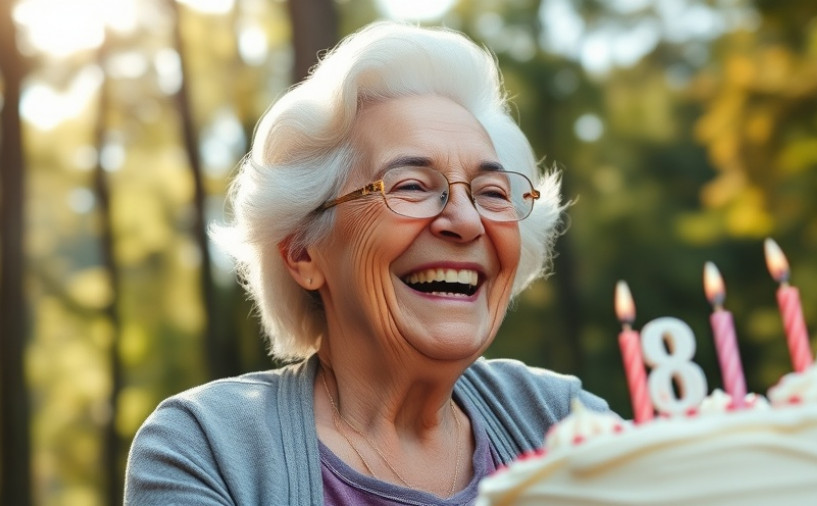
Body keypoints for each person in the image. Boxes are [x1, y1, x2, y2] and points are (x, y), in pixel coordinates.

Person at [124, 20, 612, 505]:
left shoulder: (564, 421)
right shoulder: (207, 449)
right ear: (302, 251)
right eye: (412, 186)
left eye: (491, 193)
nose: (466, 221)